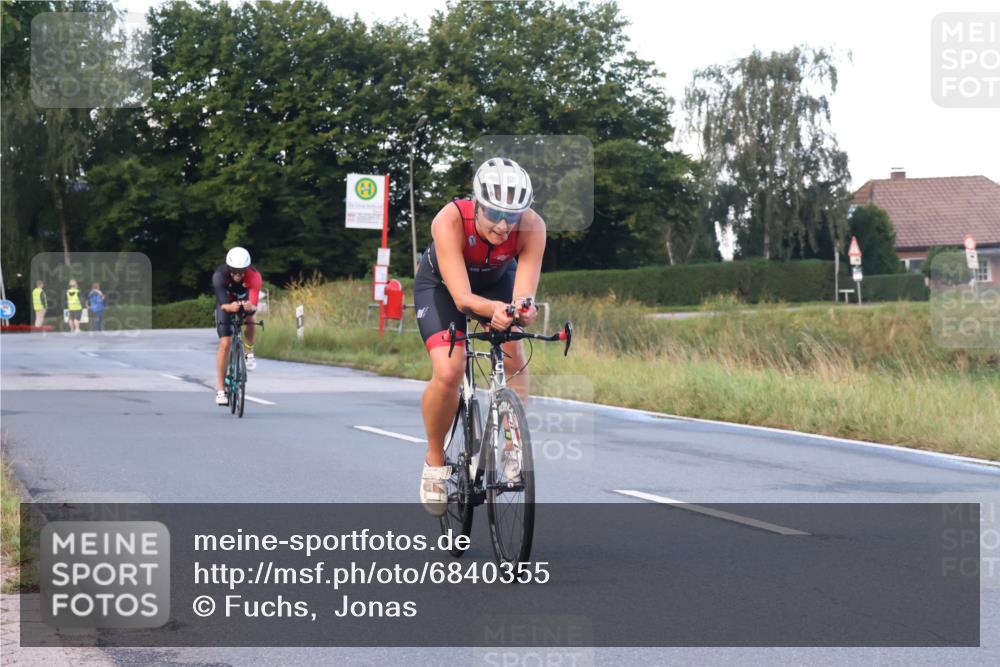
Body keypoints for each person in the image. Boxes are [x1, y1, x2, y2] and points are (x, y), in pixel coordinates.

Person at [414, 157, 545, 515]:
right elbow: (462, 299)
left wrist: (523, 310)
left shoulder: (533, 227)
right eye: (494, 214)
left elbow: (523, 294)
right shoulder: (450, 220)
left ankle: (511, 445)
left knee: (514, 350)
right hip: (443, 288)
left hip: (495, 281)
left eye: (512, 216)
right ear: (476, 204)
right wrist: (494, 310)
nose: (503, 225)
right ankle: (434, 460)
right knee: (449, 370)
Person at [212, 247, 261, 406]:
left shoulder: (254, 276)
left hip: (244, 301)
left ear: (247, 268)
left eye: (241, 271)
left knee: (250, 320)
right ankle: (220, 389)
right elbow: (223, 305)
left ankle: (249, 351)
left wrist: (250, 307)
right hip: (226, 304)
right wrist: (230, 307)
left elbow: (254, 305)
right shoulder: (219, 276)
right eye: (234, 271)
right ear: (228, 268)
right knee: (225, 343)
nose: (238, 274)